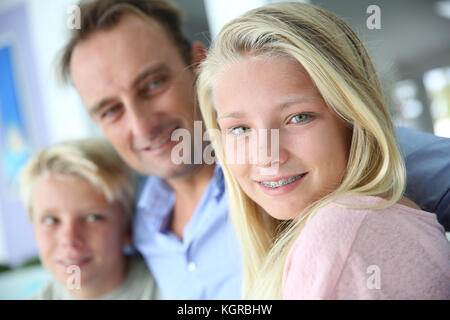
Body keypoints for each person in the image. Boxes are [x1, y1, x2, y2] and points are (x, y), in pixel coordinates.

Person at [61, 0, 450, 299]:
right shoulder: (140, 222)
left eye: (152, 85)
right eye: (111, 110)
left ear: (198, 66)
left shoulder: (326, 173)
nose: (141, 124)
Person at [197, 2, 450, 299]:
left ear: (355, 120)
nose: (266, 155)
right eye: (240, 129)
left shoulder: (342, 232)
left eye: (298, 117)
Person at [20, 138, 160, 300]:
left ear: (128, 227)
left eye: (93, 218)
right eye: (51, 220)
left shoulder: (174, 288)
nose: (69, 239)